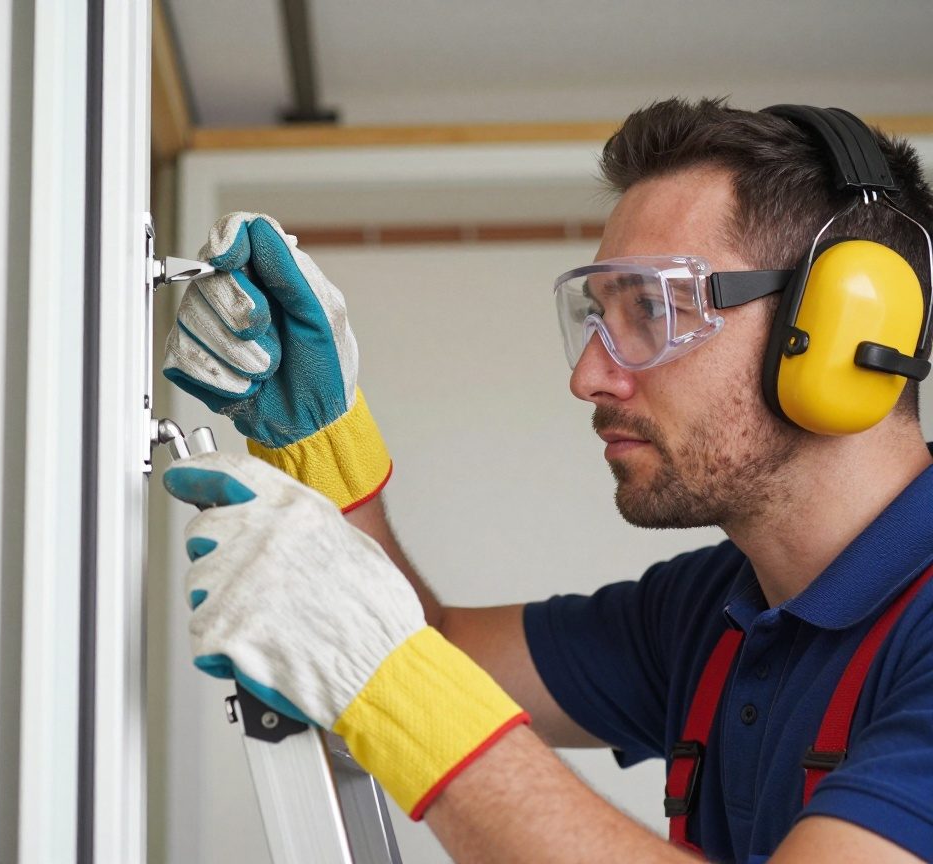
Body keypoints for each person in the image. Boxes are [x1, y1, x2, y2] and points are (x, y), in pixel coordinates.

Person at [160, 98, 933, 862]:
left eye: (652, 311)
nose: (591, 376)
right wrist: (323, 447)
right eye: (596, 317)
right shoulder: (713, 614)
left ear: (844, 330)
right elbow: (422, 650)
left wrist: (398, 682)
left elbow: (404, 673)